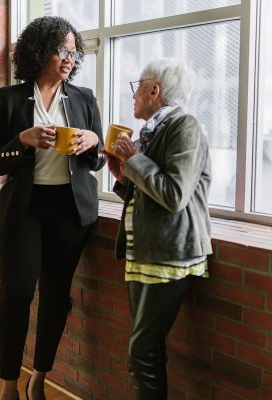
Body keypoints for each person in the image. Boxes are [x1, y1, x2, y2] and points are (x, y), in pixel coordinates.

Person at [0, 16, 105, 400]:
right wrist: (23, 139)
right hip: (26, 209)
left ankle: (39, 375)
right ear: (40, 51)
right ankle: (8, 384)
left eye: (72, 51)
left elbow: (99, 161)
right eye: (60, 50)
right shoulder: (11, 99)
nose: (68, 58)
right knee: (17, 293)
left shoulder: (84, 98)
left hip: (70, 212)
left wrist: (92, 140)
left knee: (56, 295)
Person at [104, 58, 212, 400]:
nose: (133, 96)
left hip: (171, 254)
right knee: (145, 351)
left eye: (138, 87)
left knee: (141, 352)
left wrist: (135, 159)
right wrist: (124, 178)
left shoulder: (185, 126)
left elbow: (174, 194)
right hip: (147, 251)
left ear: (155, 90)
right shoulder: (154, 129)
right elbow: (152, 191)